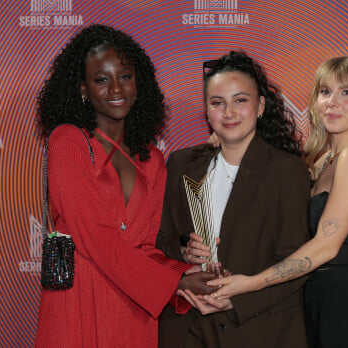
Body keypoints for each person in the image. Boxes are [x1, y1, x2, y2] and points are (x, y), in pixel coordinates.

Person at [34, 24, 216, 347]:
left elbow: (145, 249)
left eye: (125, 77)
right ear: (83, 90)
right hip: (79, 309)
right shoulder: (68, 141)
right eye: (101, 79)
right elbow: (94, 236)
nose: (116, 89)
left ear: (139, 83)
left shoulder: (154, 161)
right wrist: (172, 283)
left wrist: (185, 275)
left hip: (132, 313)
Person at [204, 56, 348, 347]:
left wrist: (250, 283)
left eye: (347, 92)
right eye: (324, 92)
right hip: (316, 308)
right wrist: (234, 139)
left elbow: (325, 245)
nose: (332, 102)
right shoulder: (319, 164)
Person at [156, 51, 310, 348]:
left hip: (260, 330)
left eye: (240, 100)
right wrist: (184, 252)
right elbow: (159, 241)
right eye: (217, 103)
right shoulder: (180, 164)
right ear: (206, 109)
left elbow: (298, 264)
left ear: (261, 105)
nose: (228, 113)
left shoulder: (288, 171)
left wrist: (236, 302)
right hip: (189, 330)